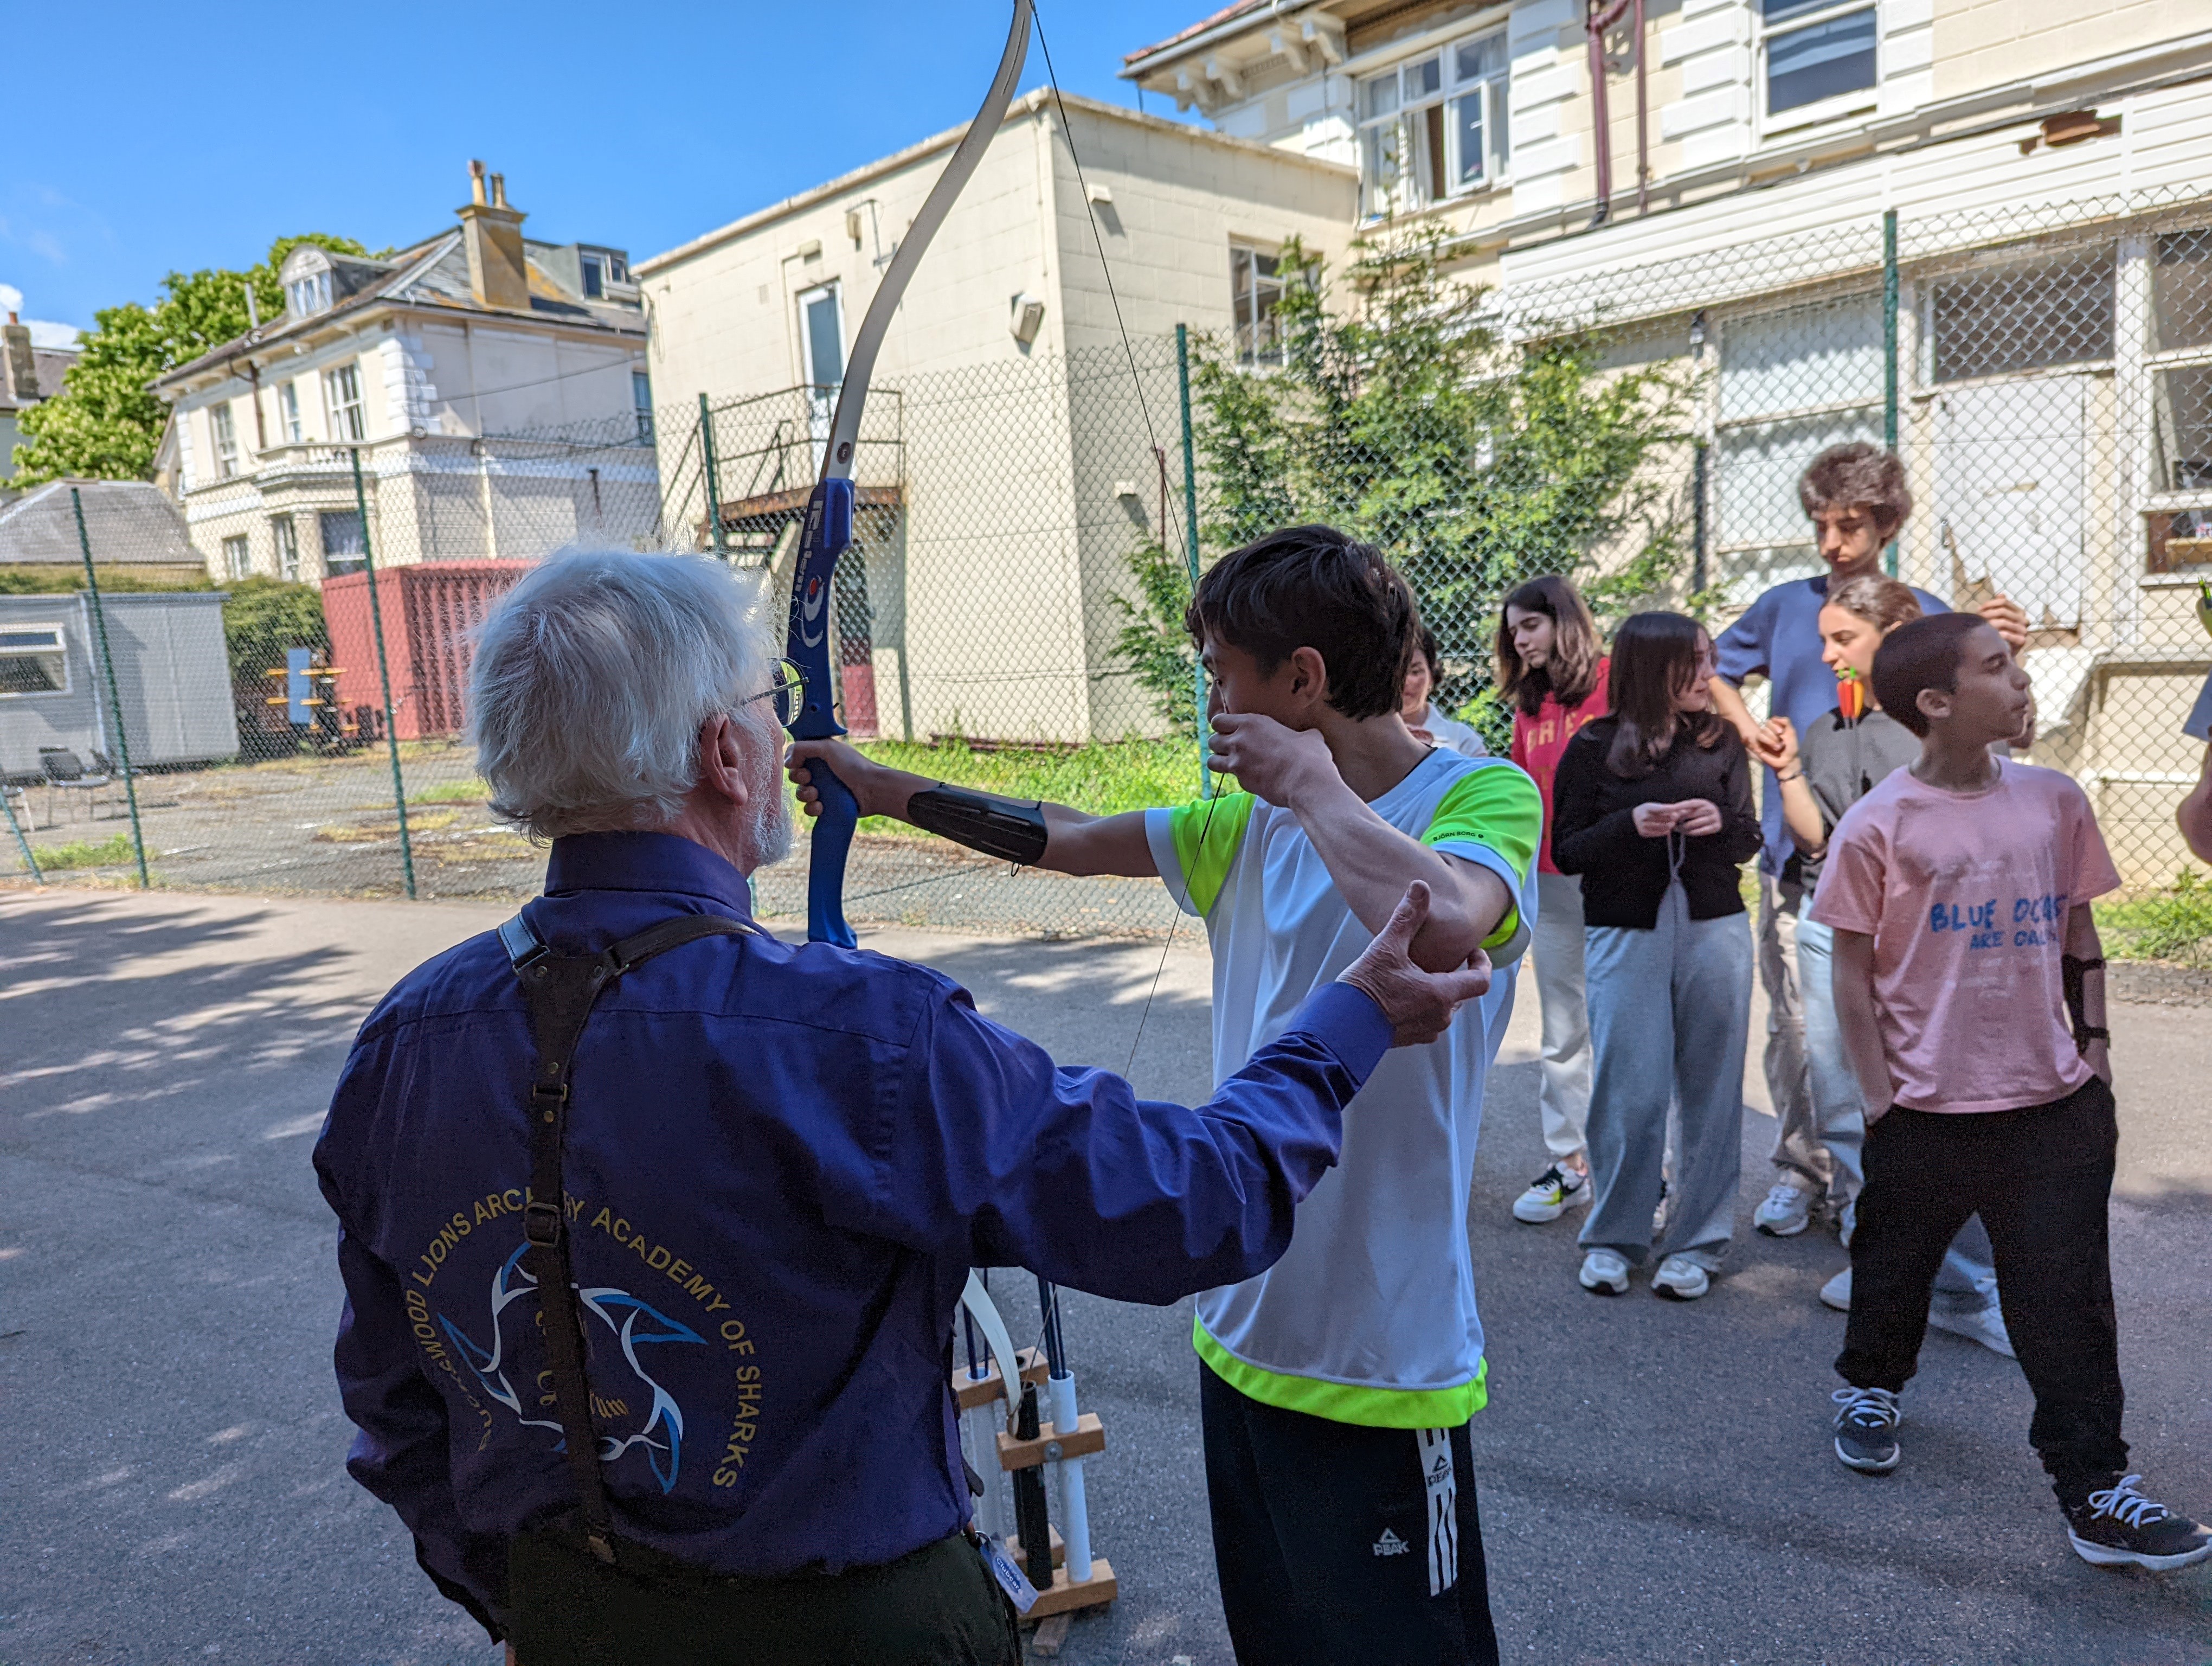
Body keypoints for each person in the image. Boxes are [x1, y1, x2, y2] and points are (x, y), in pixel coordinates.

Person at [313, 550, 1494, 1665]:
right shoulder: (862, 1033)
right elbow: (1194, 1200)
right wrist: (1352, 1021)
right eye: (769, 704)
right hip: (859, 1620)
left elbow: (394, 1402)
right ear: (726, 755)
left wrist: (525, 1598)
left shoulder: (403, 1042)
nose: (781, 730)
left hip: (572, 1614)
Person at [793, 524, 1541, 1666]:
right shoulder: (1250, 825)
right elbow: (1065, 835)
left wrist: (1311, 784)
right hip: (1242, 1337)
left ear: (1303, 679)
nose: (1211, 704)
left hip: (1383, 1364)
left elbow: (1442, 920)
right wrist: (879, 786)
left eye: (1221, 676)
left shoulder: (1479, 795)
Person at [1812, 612, 2211, 1571]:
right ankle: (1869, 1384)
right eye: (1997, 667)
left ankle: (2097, 1491)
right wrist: (1880, 1098)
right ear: (1936, 703)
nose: (2022, 681)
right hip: (1924, 1109)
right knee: (1895, 1262)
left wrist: (2096, 1055)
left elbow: (2078, 934)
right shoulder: (1880, 824)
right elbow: (1851, 973)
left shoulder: (2054, 801)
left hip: (2052, 1105)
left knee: (2068, 1304)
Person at [1710, 443, 2028, 1241]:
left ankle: (1888, 1200)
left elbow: (1986, 716)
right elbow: (1715, 669)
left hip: (1907, 876)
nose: (1831, 543)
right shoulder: (1784, 606)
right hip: (1802, 853)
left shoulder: (1922, 612)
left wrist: (2007, 654)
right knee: (1797, 1028)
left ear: (1886, 523)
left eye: (1849, 525)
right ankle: (1801, 1169)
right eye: (1821, 525)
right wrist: (1749, 730)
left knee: (1892, 1031)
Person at [1761, 575, 2010, 1354]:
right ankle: (1884, 1258)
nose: (1827, 655)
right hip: (1834, 926)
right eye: (1825, 639)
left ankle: (1966, 1287)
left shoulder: (1945, 726)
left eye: (1844, 639)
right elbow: (1816, 839)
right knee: (1849, 1105)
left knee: (1940, 1109)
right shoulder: (1828, 725)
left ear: (1894, 637)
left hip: (1926, 940)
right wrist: (1787, 770)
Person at [1551, 612, 1761, 1301]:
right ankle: (1614, 1238)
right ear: (1652, 667)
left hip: (1715, 927)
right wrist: (1628, 825)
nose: (1710, 675)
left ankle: (1696, 1245)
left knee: (1711, 1090)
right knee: (1630, 1090)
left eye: (1710, 658)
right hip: (1624, 930)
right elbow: (1567, 850)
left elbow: (1747, 836)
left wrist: (1719, 822)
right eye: (1695, 661)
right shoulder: (1593, 746)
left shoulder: (1722, 741)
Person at [1496, 575, 1611, 1224]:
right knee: (1564, 1028)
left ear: (1564, 622)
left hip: (1618, 877)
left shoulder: (1614, 682)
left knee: (1622, 1025)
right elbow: (1520, 794)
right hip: (1551, 880)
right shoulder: (1530, 704)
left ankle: (1640, 1171)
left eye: (1530, 626)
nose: (1519, 640)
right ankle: (1571, 1164)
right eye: (1513, 630)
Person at [1403, 621, 1490, 755]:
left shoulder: (1462, 740)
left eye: (1415, 671)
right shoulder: (1369, 738)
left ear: (1432, 676)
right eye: (1394, 673)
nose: (1404, 681)